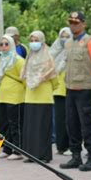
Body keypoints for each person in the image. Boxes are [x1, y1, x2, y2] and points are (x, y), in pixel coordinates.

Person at [60, 11, 91, 172]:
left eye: (76, 23)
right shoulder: (69, 43)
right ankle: (75, 156)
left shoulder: (89, 42)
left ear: (83, 24)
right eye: (71, 22)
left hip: (85, 89)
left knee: (88, 126)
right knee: (72, 124)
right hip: (71, 89)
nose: (73, 25)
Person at [21, 30, 58, 163]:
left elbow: (55, 78)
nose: (33, 43)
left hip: (44, 97)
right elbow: (24, 75)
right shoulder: (29, 56)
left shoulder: (48, 56)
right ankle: (31, 155)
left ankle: (43, 156)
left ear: (42, 41)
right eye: (31, 40)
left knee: (42, 128)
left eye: (36, 40)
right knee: (31, 127)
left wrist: (43, 85)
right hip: (30, 96)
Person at [0, 34, 26, 160]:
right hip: (2, 96)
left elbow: (24, 79)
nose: (3, 47)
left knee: (15, 124)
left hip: (15, 97)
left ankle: (17, 150)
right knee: (4, 124)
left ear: (12, 45)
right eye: (1, 44)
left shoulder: (18, 60)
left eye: (6, 44)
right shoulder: (0, 60)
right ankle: (7, 148)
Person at [50, 27, 72, 155]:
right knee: (59, 120)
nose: (64, 39)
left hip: (69, 89)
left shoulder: (72, 52)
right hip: (57, 90)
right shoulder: (55, 52)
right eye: (62, 37)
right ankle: (61, 146)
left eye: (67, 37)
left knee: (69, 120)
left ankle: (70, 146)